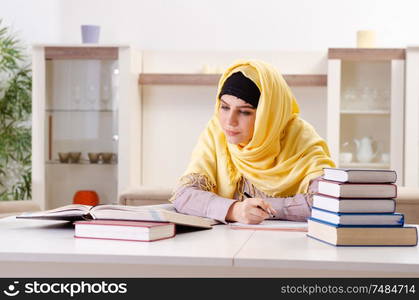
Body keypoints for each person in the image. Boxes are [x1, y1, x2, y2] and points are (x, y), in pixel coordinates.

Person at [170, 60, 335, 224]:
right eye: (225, 107)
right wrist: (234, 210)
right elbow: (184, 194)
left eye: (244, 112)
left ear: (269, 115)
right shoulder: (216, 133)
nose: (230, 122)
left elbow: (328, 201)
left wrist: (263, 208)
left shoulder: (300, 138)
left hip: (289, 245)